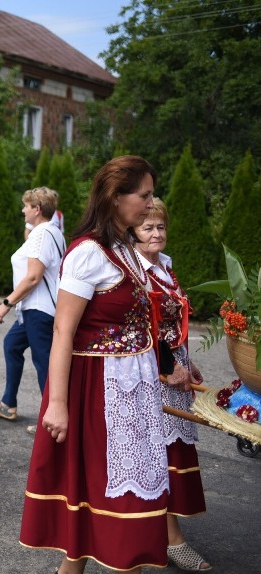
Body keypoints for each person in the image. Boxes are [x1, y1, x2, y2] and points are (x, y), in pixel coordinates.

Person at [20, 156, 167, 573]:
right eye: (144, 195)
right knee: (114, 501)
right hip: (96, 390)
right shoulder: (88, 253)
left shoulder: (125, 249)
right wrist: (58, 404)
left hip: (128, 389)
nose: (150, 202)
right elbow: (63, 332)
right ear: (116, 198)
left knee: (99, 503)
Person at [135, 198, 211, 572]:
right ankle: (171, 539)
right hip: (150, 373)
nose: (156, 233)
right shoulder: (134, 270)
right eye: (148, 227)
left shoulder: (165, 266)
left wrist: (187, 361)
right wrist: (167, 371)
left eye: (160, 226)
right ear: (133, 232)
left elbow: (171, 324)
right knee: (156, 455)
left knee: (172, 452)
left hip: (174, 369)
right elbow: (141, 329)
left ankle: (157, 529)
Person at [0, 187, 65, 434]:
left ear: (37, 209)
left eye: (26, 206)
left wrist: (5, 303)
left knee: (43, 364)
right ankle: (8, 403)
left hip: (39, 310)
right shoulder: (55, 232)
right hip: (32, 309)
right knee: (12, 345)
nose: (23, 209)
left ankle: (49, 420)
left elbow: (33, 277)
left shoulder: (41, 234)